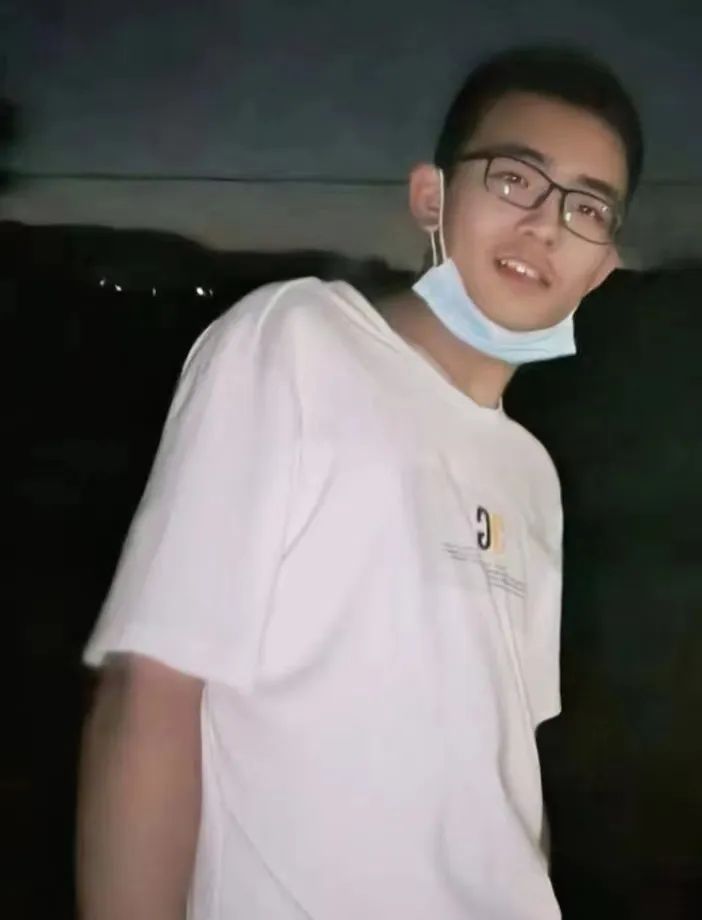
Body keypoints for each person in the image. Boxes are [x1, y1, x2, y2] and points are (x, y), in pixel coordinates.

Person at [76, 45, 643, 920]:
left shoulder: (531, 472)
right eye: (514, 179)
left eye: (587, 207)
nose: (546, 226)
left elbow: (500, 767)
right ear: (431, 198)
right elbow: (153, 688)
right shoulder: (298, 342)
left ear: (603, 266)